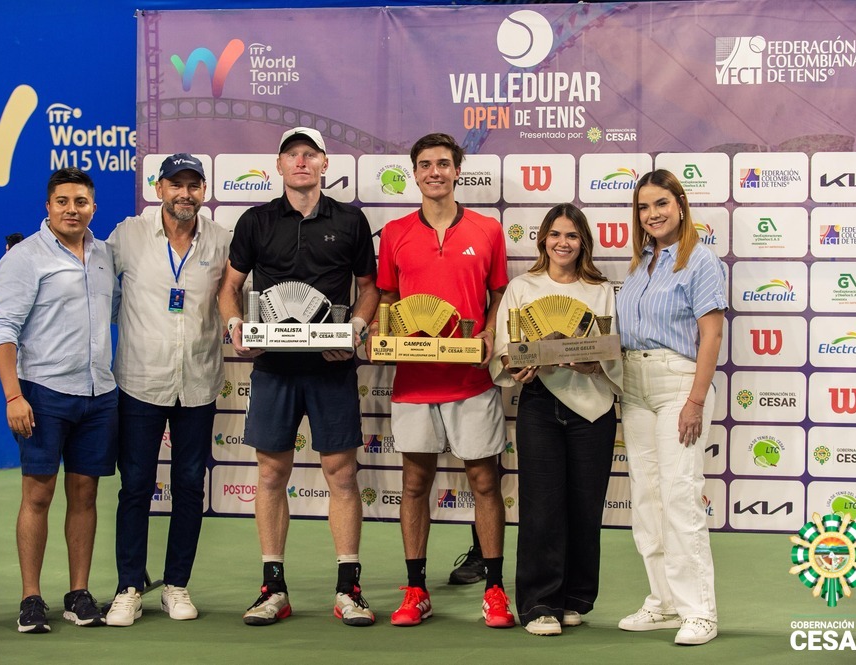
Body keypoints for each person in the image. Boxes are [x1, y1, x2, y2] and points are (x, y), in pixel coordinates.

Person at [219, 127, 379, 627]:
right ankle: (273, 588)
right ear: (279, 166)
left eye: (310, 155)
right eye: (293, 156)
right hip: (274, 367)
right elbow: (230, 286)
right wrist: (235, 325)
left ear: (325, 163)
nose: (302, 163)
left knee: (343, 475)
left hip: (332, 368)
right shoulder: (255, 220)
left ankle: (348, 589)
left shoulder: (351, 220)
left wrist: (353, 329)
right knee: (270, 475)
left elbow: (370, 289)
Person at [369, 132, 515, 628]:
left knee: (484, 482)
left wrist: (492, 333)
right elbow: (387, 298)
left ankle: (495, 589)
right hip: (413, 382)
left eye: (444, 164)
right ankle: (416, 589)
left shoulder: (488, 230)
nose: (435, 172)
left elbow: (499, 295)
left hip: (471, 381)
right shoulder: (394, 233)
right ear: (415, 173)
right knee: (414, 484)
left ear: (458, 171)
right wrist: (379, 332)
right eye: (426, 164)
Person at [104, 153, 231, 627]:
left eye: (193, 185)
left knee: (189, 488)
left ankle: (176, 585)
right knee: (135, 487)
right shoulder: (127, 236)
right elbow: (93, 282)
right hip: (140, 382)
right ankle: (129, 587)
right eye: (176, 185)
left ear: (203, 191)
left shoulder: (221, 239)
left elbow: (237, 294)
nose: (185, 194)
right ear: (158, 189)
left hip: (198, 384)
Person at [0, 167, 118, 633]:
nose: (71, 209)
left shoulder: (105, 256)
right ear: (48, 206)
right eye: (62, 201)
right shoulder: (24, 258)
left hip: (99, 394)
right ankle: (31, 598)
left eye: (80, 202)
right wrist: (13, 396)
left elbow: (118, 310)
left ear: (93, 208)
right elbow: (2, 329)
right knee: (38, 496)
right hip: (42, 394)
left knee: (85, 494)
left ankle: (78, 593)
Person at [490, 203, 622, 636]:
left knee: (585, 506)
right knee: (542, 506)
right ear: (543, 239)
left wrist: (596, 366)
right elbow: (506, 348)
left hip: (594, 408)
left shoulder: (601, 289)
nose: (563, 243)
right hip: (540, 404)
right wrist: (517, 365)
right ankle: (539, 603)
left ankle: (576, 597)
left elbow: (612, 348)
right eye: (555, 234)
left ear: (583, 242)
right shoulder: (522, 286)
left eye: (572, 235)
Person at [616, 169, 726, 646]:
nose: (652, 214)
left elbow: (712, 334)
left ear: (680, 205)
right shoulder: (640, 264)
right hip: (634, 386)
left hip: (679, 384)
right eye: (643, 207)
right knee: (647, 498)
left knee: (680, 495)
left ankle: (699, 610)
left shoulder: (701, 261)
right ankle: (662, 601)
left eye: (661, 203)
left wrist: (695, 400)